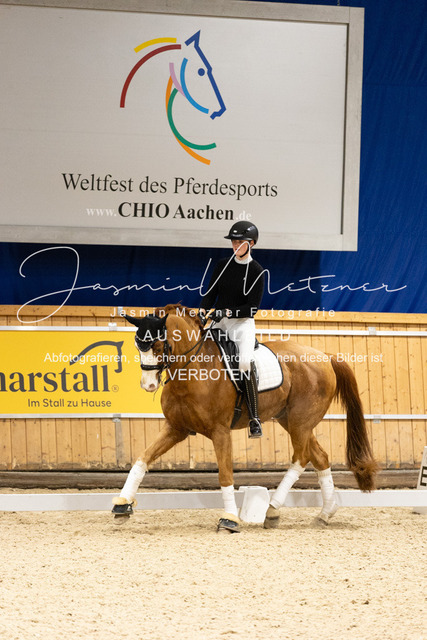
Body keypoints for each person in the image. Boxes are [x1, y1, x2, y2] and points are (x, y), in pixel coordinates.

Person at [199, 221, 265, 438]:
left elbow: (252, 308)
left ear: (251, 243)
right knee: (197, 354)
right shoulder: (222, 265)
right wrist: (202, 311)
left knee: (244, 362)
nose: (236, 245)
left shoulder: (256, 271)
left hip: (241, 324)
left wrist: (227, 312)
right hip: (219, 322)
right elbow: (210, 293)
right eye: (234, 242)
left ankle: (254, 418)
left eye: (240, 242)